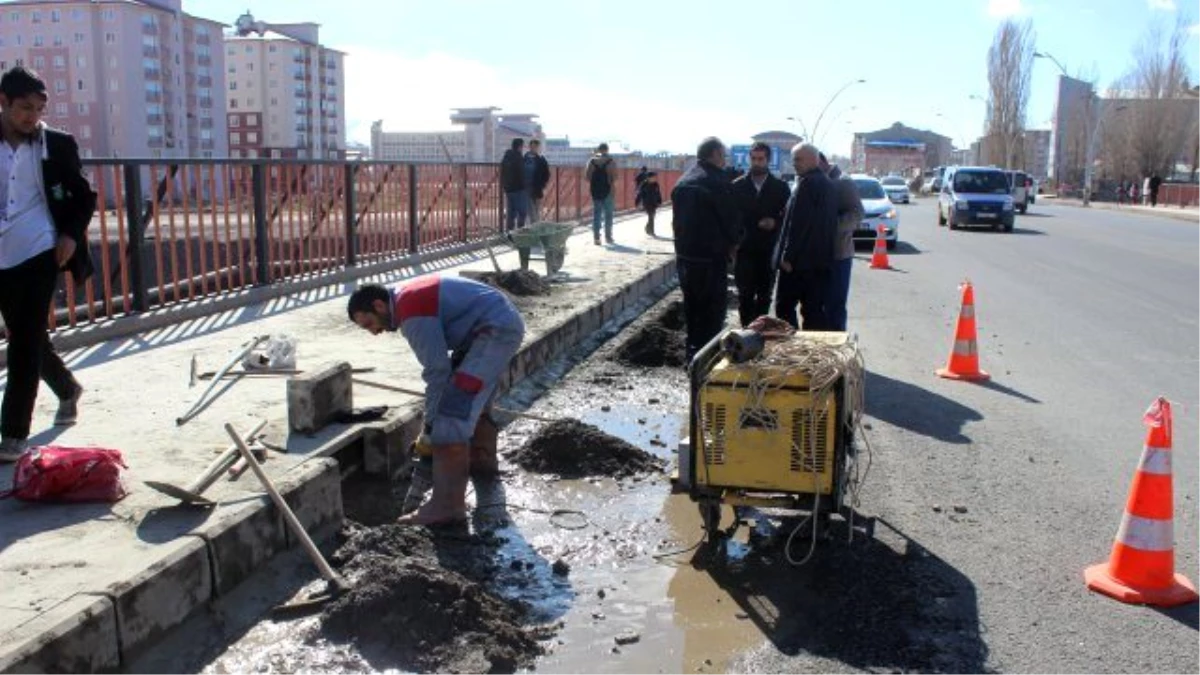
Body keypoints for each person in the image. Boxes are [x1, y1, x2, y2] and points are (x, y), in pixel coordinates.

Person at [347, 276, 525, 526]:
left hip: (493, 332)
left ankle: (448, 506)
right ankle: (481, 466)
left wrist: (430, 427)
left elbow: (437, 371)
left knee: (452, 414)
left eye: (369, 324)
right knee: (473, 406)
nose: (374, 332)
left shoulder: (411, 311)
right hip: (493, 327)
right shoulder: (406, 296)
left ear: (379, 306)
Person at [0, 67, 96, 461]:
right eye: (25, 108)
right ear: (3, 102)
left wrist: (71, 235)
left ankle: (12, 433)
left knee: (23, 341)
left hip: (41, 248)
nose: (32, 117)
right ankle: (68, 388)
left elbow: (83, 196)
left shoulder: (55, 144)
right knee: (28, 333)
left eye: (39, 109)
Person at [671, 137, 740, 360]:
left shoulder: (683, 182)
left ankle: (692, 356)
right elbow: (732, 221)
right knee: (712, 313)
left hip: (685, 258)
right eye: (724, 155)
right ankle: (708, 360)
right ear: (716, 155)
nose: (725, 160)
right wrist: (736, 243)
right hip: (711, 260)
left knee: (692, 310)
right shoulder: (717, 182)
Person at [773, 143, 838, 331]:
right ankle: (815, 353)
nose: (794, 163)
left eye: (798, 159)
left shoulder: (807, 184)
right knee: (814, 312)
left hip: (799, 264)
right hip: (821, 262)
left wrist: (787, 256)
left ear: (813, 159)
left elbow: (799, 224)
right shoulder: (828, 184)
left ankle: (794, 348)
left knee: (784, 307)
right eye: (793, 159)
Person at [730, 142, 790, 328]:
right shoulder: (737, 186)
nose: (757, 163)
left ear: (768, 160)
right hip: (744, 250)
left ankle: (760, 334)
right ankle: (746, 333)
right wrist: (734, 243)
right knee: (745, 295)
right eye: (754, 159)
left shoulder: (780, 187)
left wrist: (775, 222)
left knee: (764, 296)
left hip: (768, 250)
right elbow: (730, 217)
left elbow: (788, 218)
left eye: (761, 159)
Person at [820, 153, 864, 332]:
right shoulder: (813, 181)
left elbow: (857, 214)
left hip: (838, 254)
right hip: (816, 255)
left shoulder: (843, 182)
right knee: (818, 306)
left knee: (835, 307)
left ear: (820, 162)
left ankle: (838, 348)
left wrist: (828, 226)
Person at [586, 143, 617, 245]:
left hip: (595, 191)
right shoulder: (611, 161)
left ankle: (596, 238)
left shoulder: (592, 161)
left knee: (597, 214)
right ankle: (608, 237)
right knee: (608, 214)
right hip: (608, 190)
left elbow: (587, 177)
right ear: (607, 150)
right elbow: (615, 177)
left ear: (599, 150)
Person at [500, 138, 528, 231]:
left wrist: (504, 185)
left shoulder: (506, 157)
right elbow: (522, 173)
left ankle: (509, 232)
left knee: (511, 212)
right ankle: (520, 232)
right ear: (520, 147)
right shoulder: (518, 157)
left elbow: (502, 172)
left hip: (508, 189)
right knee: (522, 212)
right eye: (522, 146)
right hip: (519, 188)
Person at [525, 139, 551, 223]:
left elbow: (547, 174)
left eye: (535, 147)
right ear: (529, 147)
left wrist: (543, 185)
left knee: (536, 210)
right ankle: (534, 227)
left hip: (537, 189)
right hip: (526, 189)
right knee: (531, 212)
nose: (534, 148)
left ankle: (536, 227)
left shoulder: (541, 160)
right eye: (532, 146)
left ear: (538, 148)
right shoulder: (524, 159)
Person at [636, 171, 663, 236]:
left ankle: (647, 227)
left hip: (654, 202)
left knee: (652, 216)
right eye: (654, 177)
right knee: (651, 216)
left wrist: (659, 201)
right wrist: (637, 202)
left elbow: (658, 193)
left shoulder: (656, 184)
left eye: (655, 177)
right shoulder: (644, 184)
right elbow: (640, 194)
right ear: (649, 178)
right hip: (647, 203)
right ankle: (652, 231)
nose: (655, 178)